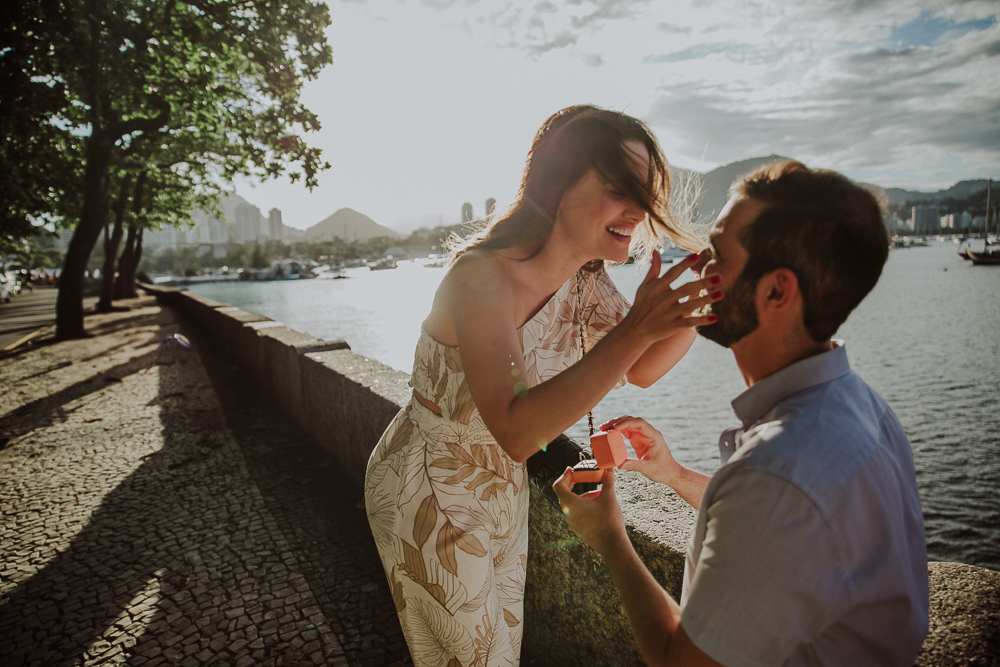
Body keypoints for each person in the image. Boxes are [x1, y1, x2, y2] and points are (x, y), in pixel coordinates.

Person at [364, 105, 723, 667]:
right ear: (557, 184)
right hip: (432, 486)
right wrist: (637, 326)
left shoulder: (585, 278)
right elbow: (515, 428)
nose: (639, 210)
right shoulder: (481, 277)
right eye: (619, 187)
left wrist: (698, 306)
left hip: (499, 487)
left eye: (647, 191)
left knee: (498, 651)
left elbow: (643, 367)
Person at [555, 160, 930, 667]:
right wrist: (673, 474)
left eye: (717, 255)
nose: (696, 266)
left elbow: (679, 662)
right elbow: (789, 528)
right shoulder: (864, 407)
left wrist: (609, 538)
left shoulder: (777, 472)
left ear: (776, 291)